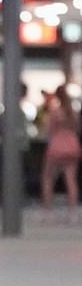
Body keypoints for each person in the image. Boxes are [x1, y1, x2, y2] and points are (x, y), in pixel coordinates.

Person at [41, 84, 81, 223]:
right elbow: (77, 129)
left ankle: (48, 212)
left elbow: (48, 130)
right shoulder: (73, 112)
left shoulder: (55, 111)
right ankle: (73, 212)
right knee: (71, 180)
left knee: (48, 178)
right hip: (72, 146)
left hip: (57, 147)